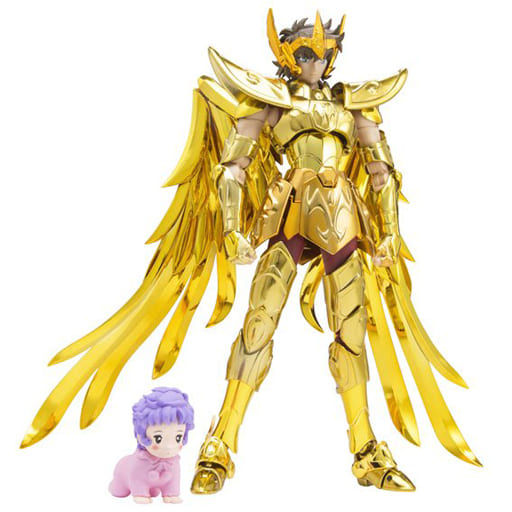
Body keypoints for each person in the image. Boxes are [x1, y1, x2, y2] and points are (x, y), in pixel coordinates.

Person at [21, 10, 480, 494]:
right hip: (289, 212)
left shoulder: (353, 103)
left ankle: (366, 450)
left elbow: (382, 171)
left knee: (352, 332)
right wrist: (231, 229)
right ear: (286, 54)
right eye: (306, 52)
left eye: (326, 53)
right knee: (258, 326)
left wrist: (389, 233)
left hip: (344, 217)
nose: (317, 62)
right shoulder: (272, 99)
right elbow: (232, 167)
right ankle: (219, 444)